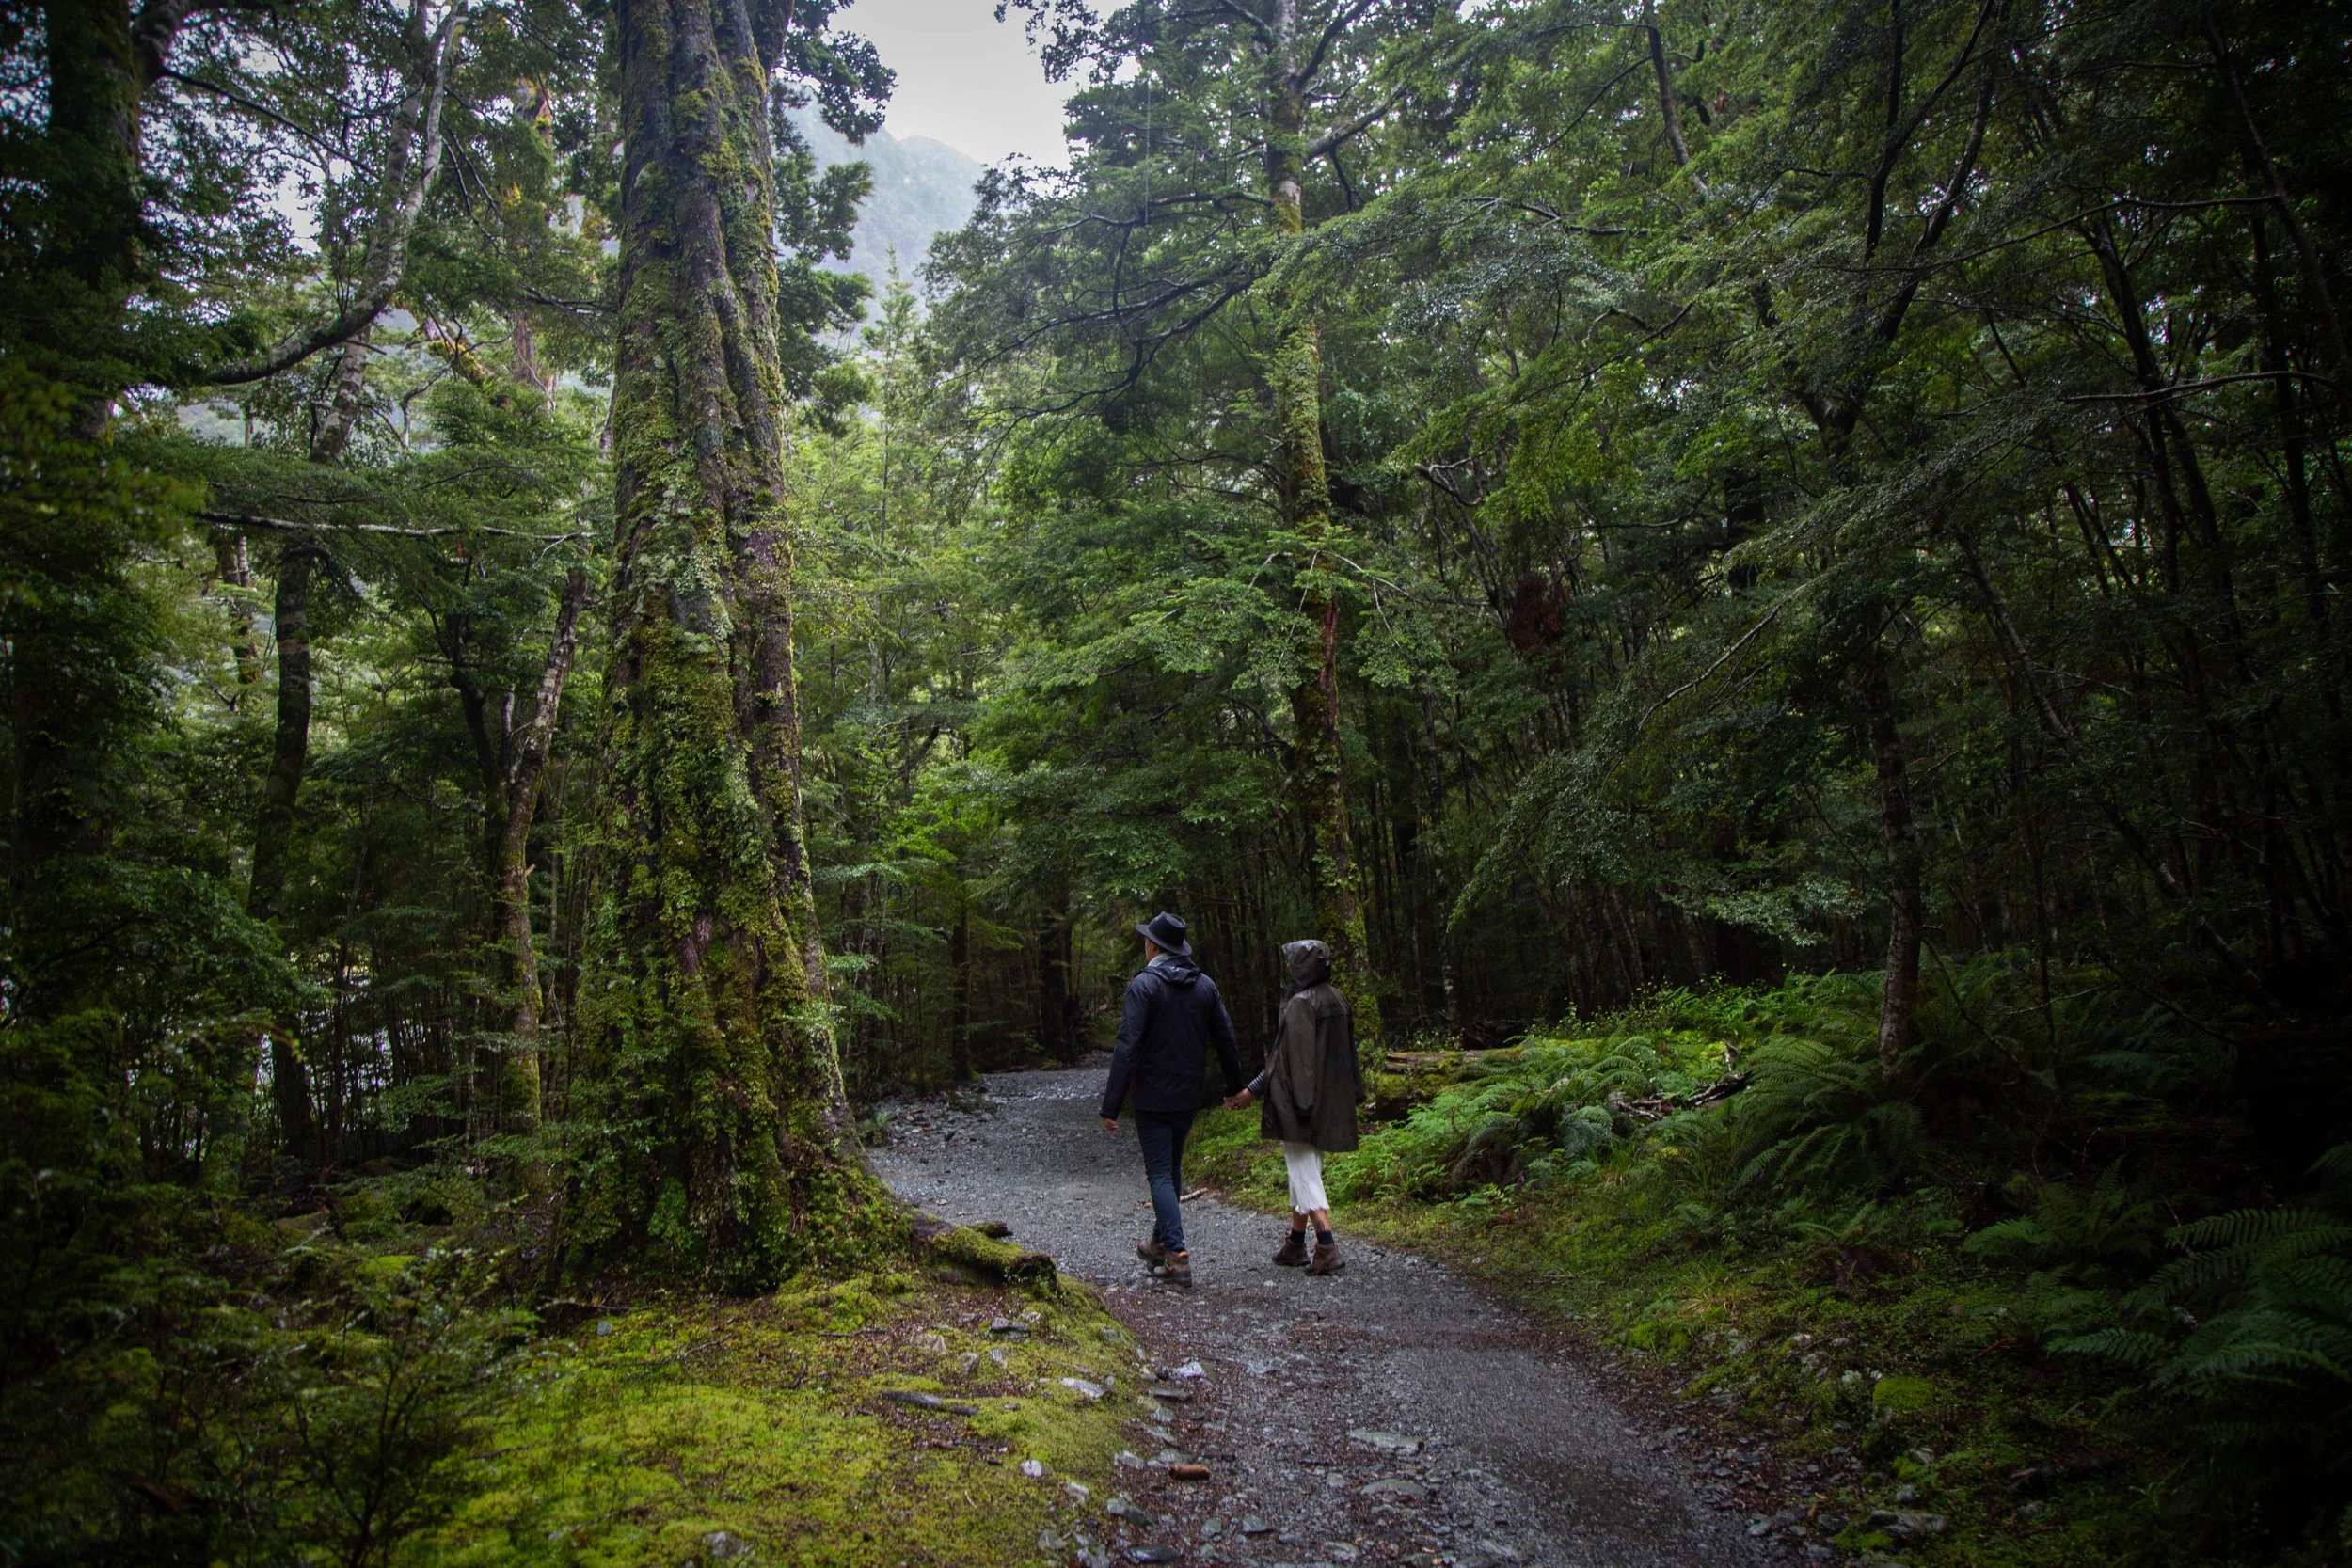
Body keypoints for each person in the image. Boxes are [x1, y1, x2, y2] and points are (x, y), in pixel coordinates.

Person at [1100, 911, 1244, 1289]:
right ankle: (1159, 1243)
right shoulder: (1205, 987)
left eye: (1146, 940)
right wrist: (1234, 1086)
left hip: (1152, 1096)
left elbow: (1127, 1046)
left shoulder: (1143, 986)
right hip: (1187, 1096)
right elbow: (1226, 1039)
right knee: (1172, 1169)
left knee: (1161, 1174)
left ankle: (1177, 1256)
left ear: (1154, 946)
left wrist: (1111, 1104)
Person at [1223, 938, 1360, 1275]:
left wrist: (1292, 1104)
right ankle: (1296, 1243)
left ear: (1303, 966)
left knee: (1302, 1166)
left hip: (1302, 1103)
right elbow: (1349, 1057)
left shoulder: (1301, 1004)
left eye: (1292, 961)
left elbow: (1290, 1061)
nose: (1287, 968)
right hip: (1329, 1100)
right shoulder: (1337, 998)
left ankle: (1326, 1243)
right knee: (1304, 1166)